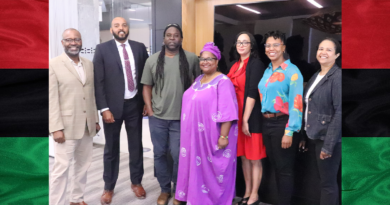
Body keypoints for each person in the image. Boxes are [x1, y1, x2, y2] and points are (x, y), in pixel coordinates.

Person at [141, 23, 200, 205]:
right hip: (157, 117)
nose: (172, 38)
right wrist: (149, 110)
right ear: (164, 38)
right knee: (159, 153)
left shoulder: (191, 58)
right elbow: (146, 87)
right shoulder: (152, 60)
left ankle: (179, 188)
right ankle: (164, 190)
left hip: (181, 119)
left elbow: (199, 84)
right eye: (169, 35)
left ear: (181, 39)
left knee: (178, 154)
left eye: (176, 35)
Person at [93, 17, 149, 204]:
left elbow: (146, 77)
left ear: (128, 28)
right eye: (117, 25)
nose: (121, 28)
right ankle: (108, 187)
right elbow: (98, 81)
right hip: (112, 107)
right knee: (111, 149)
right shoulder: (102, 49)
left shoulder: (139, 47)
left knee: (136, 146)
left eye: (124, 25)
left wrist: (145, 103)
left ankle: (136, 182)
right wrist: (104, 109)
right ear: (111, 30)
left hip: (135, 104)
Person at [175, 42, 238, 205]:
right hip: (194, 138)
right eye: (202, 59)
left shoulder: (223, 81)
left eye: (210, 59)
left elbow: (228, 112)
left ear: (217, 61)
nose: (205, 62)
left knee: (212, 173)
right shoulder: (198, 79)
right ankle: (192, 197)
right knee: (194, 168)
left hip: (211, 138)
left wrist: (223, 136)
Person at [49, 28, 100, 205]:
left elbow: (91, 94)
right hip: (66, 127)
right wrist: (55, 128)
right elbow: (51, 99)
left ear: (81, 42)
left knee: (83, 166)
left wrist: (95, 120)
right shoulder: (53, 64)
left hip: (87, 126)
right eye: (69, 40)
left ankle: (76, 199)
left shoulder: (88, 64)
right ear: (62, 43)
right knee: (61, 169)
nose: (73, 43)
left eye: (76, 39)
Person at [258, 30, 303, 205]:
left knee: (284, 170)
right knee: (276, 167)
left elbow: (297, 104)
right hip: (267, 123)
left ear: (283, 47)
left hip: (282, 124)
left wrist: (290, 131)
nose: (271, 48)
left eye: (275, 45)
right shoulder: (268, 70)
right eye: (268, 45)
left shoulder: (293, 71)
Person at [300, 38, 341, 205]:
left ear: (337, 54)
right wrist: (304, 135)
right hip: (315, 135)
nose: (323, 52)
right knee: (322, 182)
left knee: (328, 184)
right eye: (321, 48)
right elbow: (309, 107)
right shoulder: (316, 75)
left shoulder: (337, 76)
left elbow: (340, 112)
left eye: (329, 50)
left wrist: (328, 146)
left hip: (328, 139)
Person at [227, 32, 266, 205]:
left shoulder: (256, 64)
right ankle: (247, 191)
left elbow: (252, 93)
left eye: (245, 42)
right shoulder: (235, 65)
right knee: (243, 157)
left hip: (251, 118)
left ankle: (255, 194)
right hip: (236, 118)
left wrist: (245, 120)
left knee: (254, 157)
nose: (241, 45)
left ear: (252, 46)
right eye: (239, 42)